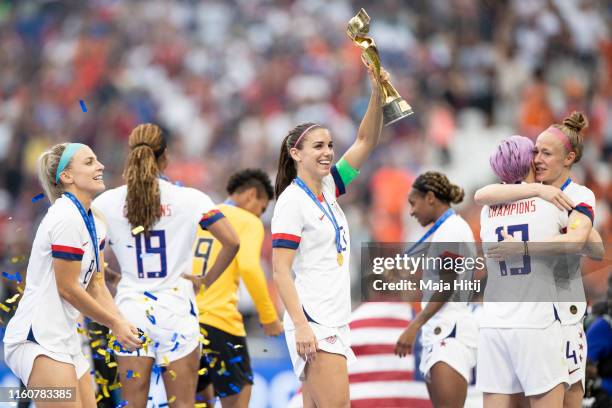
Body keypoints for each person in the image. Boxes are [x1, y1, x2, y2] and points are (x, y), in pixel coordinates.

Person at [92, 124, 240, 407]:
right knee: (182, 404)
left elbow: (91, 257)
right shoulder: (191, 199)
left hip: (130, 312)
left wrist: (112, 277)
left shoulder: (107, 202)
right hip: (176, 309)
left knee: (133, 405)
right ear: (166, 157)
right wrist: (205, 280)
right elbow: (231, 242)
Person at [271, 65, 386, 407]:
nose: (327, 152)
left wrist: (378, 92)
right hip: (315, 323)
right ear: (296, 153)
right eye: (318, 146)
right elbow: (280, 270)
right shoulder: (292, 201)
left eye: (330, 145)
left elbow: (366, 140)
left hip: (331, 320)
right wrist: (301, 325)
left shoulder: (329, 188)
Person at [3, 143, 142, 407]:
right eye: (89, 162)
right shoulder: (66, 217)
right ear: (66, 176)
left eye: (97, 160)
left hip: (65, 339)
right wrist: (114, 324)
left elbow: (96, 285)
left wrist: (122, 323)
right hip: (38, 340)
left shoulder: (94, 221)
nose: (100, 166)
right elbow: (67, 288)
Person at [475, 112, 598, 408]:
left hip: (537, 317)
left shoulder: (493, 204)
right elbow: (590, 246)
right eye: (535, 152)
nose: (538, 159)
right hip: (544, 320)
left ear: (568, 158)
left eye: (545, 153)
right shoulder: (552, 202)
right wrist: (540, 191)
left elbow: (592, 247)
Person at [478, 135, 571, 408]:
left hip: (494, 323)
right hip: (537, 322)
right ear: (529, 160)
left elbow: (487, 194)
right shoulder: (551, 203)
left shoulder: (487, 210)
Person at [193, 169, 282, 407]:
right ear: (251, 195)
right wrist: (269, 316)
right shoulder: (248, 221)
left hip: (187, 322)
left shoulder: (201, 215)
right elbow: (250, 267)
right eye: (262, 209)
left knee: (198, 399)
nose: (260, 216)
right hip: (220, 320)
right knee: (240, 395)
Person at [394, 171, 479, 408]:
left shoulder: (452, 229)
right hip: (439, 330)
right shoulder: (445, 229)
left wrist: (414, 326)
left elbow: (447, 284)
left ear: (430, 197)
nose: (411, 211)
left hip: (450, 331)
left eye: (413, 203)